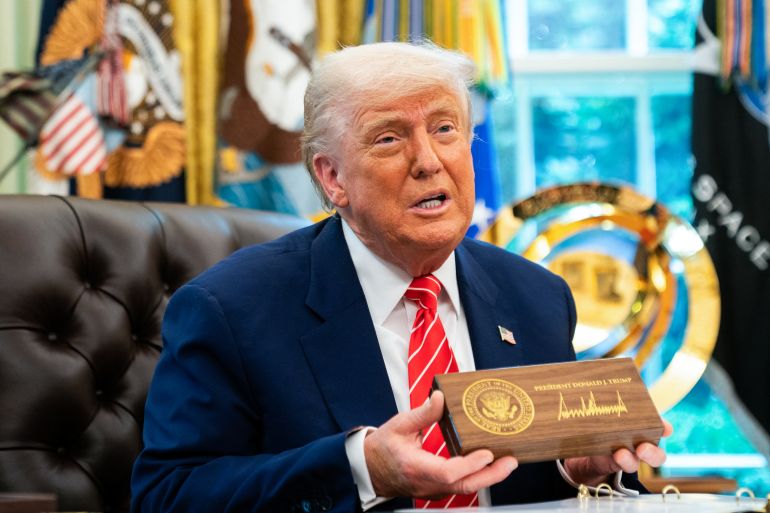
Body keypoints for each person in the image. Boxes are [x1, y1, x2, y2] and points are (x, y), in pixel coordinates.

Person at [131, 41, 670, 512]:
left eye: (445, 129)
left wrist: (573, 470)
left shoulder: (536, 296)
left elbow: (529, 487)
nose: (429, 161)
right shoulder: (231, 309)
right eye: (389, 139)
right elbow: (166, 496)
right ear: (333, 177)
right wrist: (363, 470)